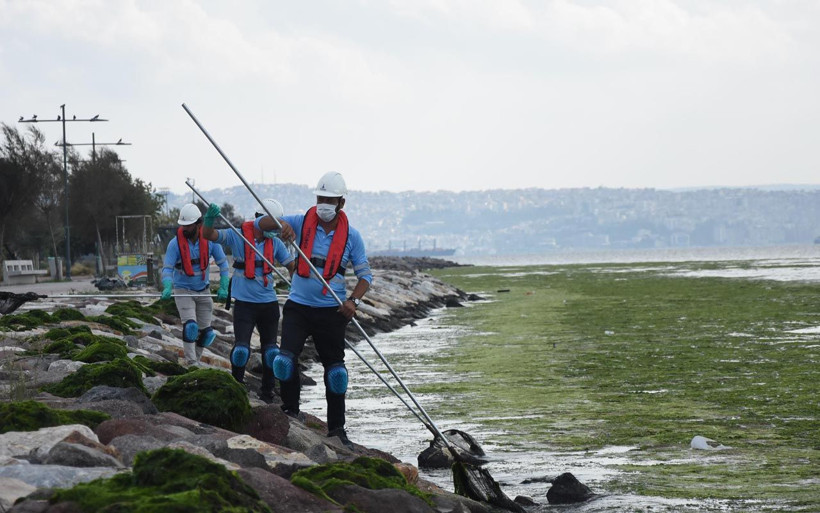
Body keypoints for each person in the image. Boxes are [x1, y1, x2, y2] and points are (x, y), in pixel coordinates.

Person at [256, 171, 372, 448]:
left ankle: (337, 428)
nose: (323, 204)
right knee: (283, 361)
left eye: (329, 200)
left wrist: (353, 301)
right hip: (299, 306)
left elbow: (365, 275)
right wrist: (280, 224)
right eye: (320, 198)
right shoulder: (300, 222)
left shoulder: (352, 237)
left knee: (336, 373)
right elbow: (261, 225)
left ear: (341, 203)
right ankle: (290, 409)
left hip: (332, 311)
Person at [201, 199, 296, 403]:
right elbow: (209, 235)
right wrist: (209, 220)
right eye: (273, 222)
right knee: (242, 348)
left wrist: (296, 281)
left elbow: (291, 265)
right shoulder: (237, 236)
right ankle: (237, 384)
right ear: (260, 219)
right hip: (244, 303)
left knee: (271, 350)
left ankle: (268, 391)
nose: (275, 227)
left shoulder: (275, 243)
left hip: (268, 303)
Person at [161, 203, 230, 365]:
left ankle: (196, 360)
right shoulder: (174, 244)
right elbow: (167, 268)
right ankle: (191, 362)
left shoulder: (211, 242)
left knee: (206, 333)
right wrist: (167, 286)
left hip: (204, 290)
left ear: (199, 224)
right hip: (183, 290)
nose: (184, 229)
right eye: (182, 225)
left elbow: (224, 265)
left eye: (188, 225)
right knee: (190, 327)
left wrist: (223, 286)